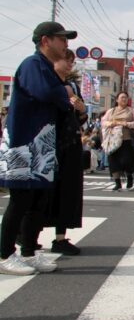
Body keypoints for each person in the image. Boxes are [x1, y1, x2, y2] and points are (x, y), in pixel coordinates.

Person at [0, 21, 78, 275]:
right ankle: (4, 254)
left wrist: (64, 92)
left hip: (41, 145)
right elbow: (47, 93)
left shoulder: (45, 67)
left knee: (39, 201)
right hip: (23, 143)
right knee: (20, 200)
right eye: (62, 39)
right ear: (45, 40)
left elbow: (62, 100)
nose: (65, 44)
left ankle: (29, 251)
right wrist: (64, 90)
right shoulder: (33, 64)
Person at [46, 48, 87, 255]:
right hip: (50, 143)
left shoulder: (73, 86)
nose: (70, 63)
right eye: (66, 59)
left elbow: (81, 118)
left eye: (72, 61)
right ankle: (27, 235)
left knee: (67, 189)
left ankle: (60, 237)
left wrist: (81, 109)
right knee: (43, 191)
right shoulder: (47, 83)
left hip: (70, 142)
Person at [103, 92, 134, 191]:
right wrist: (111, 123)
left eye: (125, 98)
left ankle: (129, 177)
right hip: (112, 141)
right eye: (122, 97)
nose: (124, 99)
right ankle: (117, 183)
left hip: (126, 139)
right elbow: (103, 122)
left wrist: (127, 124)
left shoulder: (132, 111)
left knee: (127, 160)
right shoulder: (111, 111)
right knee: (113, 161)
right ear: (117, 100)